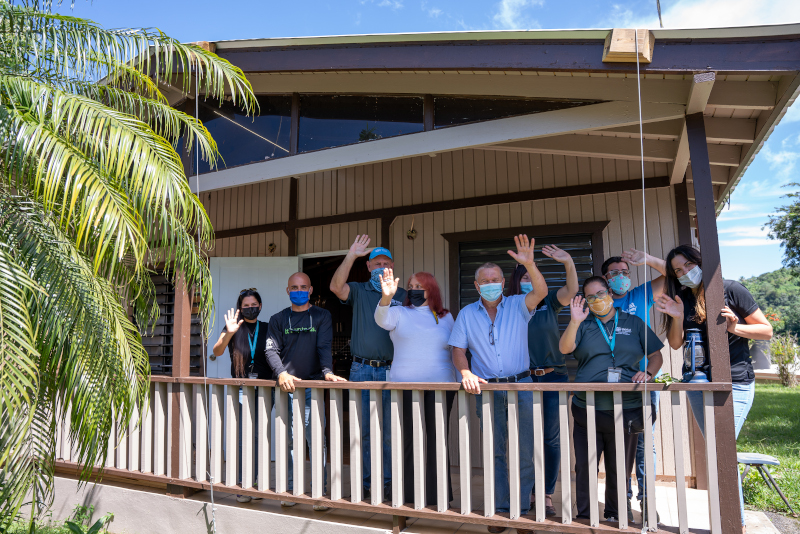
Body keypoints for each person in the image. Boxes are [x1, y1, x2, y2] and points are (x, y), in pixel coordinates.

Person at [655, 244, 772, 530]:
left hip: (735, 382)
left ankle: (735, 524)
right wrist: (678, 317)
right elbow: (674, 343)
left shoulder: (731, 289)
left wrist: (734, 328)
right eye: (678, 271)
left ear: (700, 261)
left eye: (687, 266)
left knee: (721, 453)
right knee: (718, 453)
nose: (684, 274)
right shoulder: (681, 296)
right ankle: (730, 522)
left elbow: (765, 330)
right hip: (697, 383)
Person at [449, 235, 548, 534]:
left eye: (495, 279)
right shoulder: (467, 314)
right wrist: (465, 372)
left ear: (503, 283)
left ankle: (520, 510)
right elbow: (457, 350)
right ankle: (499, 509)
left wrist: (529, 264)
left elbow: (541, 291)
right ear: (476, 286)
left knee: (525, 451)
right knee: (495, 451)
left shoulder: (519, 304)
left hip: (522, 386)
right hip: (488, 390)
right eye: (484, 280)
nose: (490, 283)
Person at [560, 276, 663, 523]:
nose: (597, 300)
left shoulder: (634, 322)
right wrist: (574, 321)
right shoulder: (583, 323)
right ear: (585, 300)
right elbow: (565, 348)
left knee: (620, 467)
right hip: (587, 408)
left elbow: (656, 355)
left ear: (609, 293)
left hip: (626, 408)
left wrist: (648, 373)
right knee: (585, 466)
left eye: (600, 293)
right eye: (591, 296)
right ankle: (585, 517)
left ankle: (617, 513)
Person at [330, 235, 406, 499]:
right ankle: (365, 483)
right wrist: (352, 254)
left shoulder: (403, 294)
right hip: (361, 369)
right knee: (363, 432)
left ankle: (386, 483)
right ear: (369, 268)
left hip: (392, 370)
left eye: (386, 263)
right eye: (376, 264)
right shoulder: (359, 290)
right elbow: (336, 287)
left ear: (392, 266)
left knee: (387, 432)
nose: (382, 267)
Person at [374, 268, 457, 506]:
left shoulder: (445, 316)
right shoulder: (398, 312)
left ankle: (439, 495)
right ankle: (406, 494)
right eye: (411, 286)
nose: (415, 290)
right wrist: (387, 297)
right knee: (408, 441)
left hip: (441, 389)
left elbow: (455, 349)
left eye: (420, 286)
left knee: (436, 440)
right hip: (405, 388)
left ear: (432, 289)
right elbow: (381, 320)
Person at [265, 272, 347, 510]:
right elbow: (271, 351)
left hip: (311, 386)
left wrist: (327, 371)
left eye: (303, 287)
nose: (299, 290)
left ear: (311, 290)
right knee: (288, 441)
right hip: (285, 388)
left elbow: (323, 346)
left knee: (315, 440)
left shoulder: (322, 316)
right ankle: (290, 490)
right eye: (294, 287)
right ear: (287, 291)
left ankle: (319, 493)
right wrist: (281, 373)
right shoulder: (278, 319)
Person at [508, 245, 578, 517]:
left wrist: (569, 262)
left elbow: (571, 291)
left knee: (550, 439)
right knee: (524, 439)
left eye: (531, 276)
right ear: (515, 281)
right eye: (523, 277)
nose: (528, 281)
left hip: (553, 377)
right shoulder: (507, 305)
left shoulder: (548, 303)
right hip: (521, 379)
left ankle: (545, 495)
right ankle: (523, 490)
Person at [602, 249, 667, 520]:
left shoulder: (639, 295)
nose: (621, 277)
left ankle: (647, 502)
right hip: (607, 389)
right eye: (615, 273)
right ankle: (621, 504)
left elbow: (673, 275)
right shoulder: (598, 303)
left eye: (625, 273)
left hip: (641, 385)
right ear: (605, 279)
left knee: (643, 445)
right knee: (615, 447)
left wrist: (649, 260)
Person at [211, 288, 271, 503]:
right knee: (241, 437)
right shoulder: (233, 327)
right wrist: (229, 332)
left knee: (259, 436)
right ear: (240, 308)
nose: (250, 309)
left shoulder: (268, 328)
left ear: (260, 306)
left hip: (264, 390)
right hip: (240, 389)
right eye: (245, 306)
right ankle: (242, 483)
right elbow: (217, 351)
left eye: (253, 305)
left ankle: (256, 481)